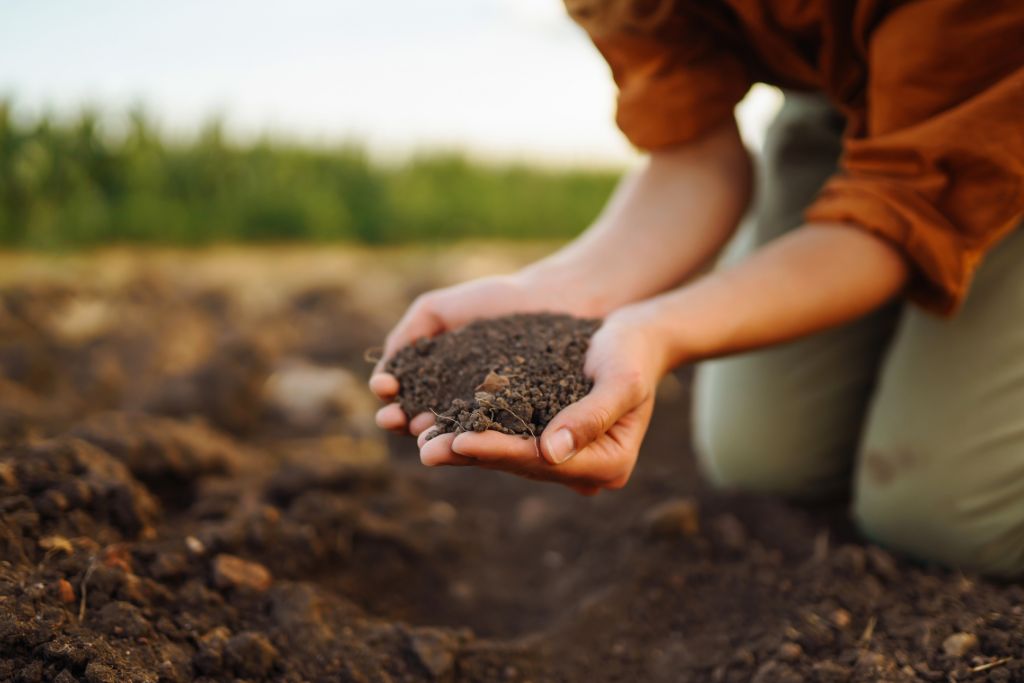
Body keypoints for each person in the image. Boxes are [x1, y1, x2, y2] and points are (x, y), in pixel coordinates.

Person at [370, 0, 1024, 576]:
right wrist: (561, 291)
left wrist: (661, 329)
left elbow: (898, 210)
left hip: (997, 88)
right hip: (846, 97)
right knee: (766, 460)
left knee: (947, 516)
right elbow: (693, 158)